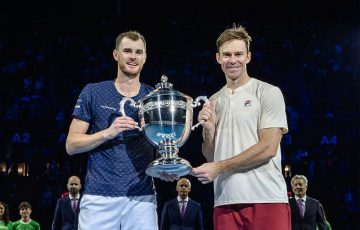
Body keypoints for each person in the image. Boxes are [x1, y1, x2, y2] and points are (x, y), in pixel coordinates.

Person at [191, 24, 291, 230]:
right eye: (227, 54)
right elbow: (211, 157)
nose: (233, 60)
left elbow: (268, 148)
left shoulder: (268, 92)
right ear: (218, 58)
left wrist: (219, 167)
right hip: (225, 201)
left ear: (248, 56)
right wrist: (208, 131)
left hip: (267, 198)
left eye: (238, 54)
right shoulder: (213, 100)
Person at [65, 30, 164, 230]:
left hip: (141, 199)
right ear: (116, 55)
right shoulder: (93, 92)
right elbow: (71, 145)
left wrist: (165, 166)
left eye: (138, 52)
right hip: (98, 197)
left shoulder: (154, 96)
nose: (133, 57)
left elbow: (161, 144)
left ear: (145, 57)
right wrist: (108, 133)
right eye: (127, 51)